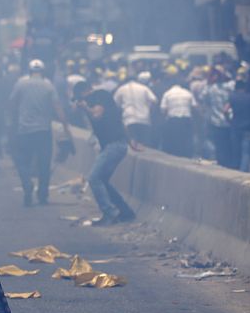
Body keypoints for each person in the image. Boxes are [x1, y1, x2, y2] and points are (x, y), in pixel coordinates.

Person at [8, 59, 73, 206]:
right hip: (43, 131)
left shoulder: (21, 84)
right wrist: (66, 127)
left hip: (24, 130)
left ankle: (27, 185)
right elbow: (58, 107)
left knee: (23, 161)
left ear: (30, 71)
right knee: (44, 164)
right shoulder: (48, 85)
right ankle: (42, 195)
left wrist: (14, 121)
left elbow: (12, 103)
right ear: (42, 72)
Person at [73, 80, 136, 225]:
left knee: (94, 178)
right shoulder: (100, 99)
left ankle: (110, 213)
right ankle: (126, 212)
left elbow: (97, 115)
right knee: (103, 181)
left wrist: (85, 107)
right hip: (113, 145)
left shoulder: (99, 95)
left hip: (114, 145)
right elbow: (119, 122)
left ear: (84, 92)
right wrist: (130, 141)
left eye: (80, 98)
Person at [113, 71, 158, 148]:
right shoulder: (144, 88)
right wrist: (150, 110)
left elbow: (115, 103)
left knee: (132, 144)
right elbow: (154, 100)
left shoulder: (121, 89)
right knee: (144, 144)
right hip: (144, 118)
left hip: (128, 119)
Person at [159, 78, 196, 158]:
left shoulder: (167, 94)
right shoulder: (188, 93)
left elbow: (163, 109)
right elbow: (194, 106)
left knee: (174, 140)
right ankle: (186, 156)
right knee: (185, 140)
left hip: (173, 120)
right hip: (186, 119)